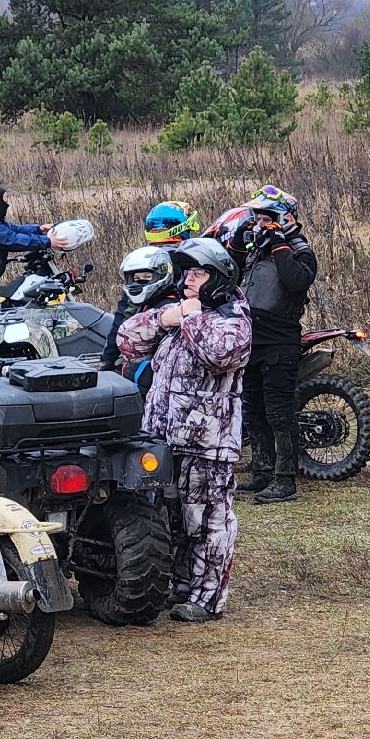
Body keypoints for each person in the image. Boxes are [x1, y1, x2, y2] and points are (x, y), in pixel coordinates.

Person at [114, 237, 253, 623]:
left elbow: (221, 354)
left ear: (218, 277)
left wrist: (191, 316)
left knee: (206, 521)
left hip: (206, 442)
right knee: (168, 517)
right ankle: (177, 585)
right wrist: (164, 318)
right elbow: (126, 341)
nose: (189, 279)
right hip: (161, 440)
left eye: (198, 272)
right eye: (187, 272)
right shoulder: (180, 315)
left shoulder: (232, 319)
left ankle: (207, 599)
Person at [218, 187, 318, 504]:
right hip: (251, 341)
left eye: (266, 217)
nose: (260, 222)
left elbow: (296, 281)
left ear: (282, 218)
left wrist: (279, 241)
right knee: (253, 409)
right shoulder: (254, 250)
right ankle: (262, 468)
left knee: (278, 411)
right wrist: (236, 243)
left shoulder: (300, 251)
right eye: (258, 217)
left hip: (280, 341)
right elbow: (228, 279)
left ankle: (285, 479)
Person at [0, 185, 70, 288]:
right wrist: (47, 241)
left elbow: (14, 229)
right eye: (6, 199)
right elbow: (12, 240)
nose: (7, 204)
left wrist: (39, 229)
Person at [100, 245, 179, 374]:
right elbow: (119, 324)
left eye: (147, 277)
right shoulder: (143, 303)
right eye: (136, 278)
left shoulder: (172, 306)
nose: (139, 282)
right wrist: (106, 361)